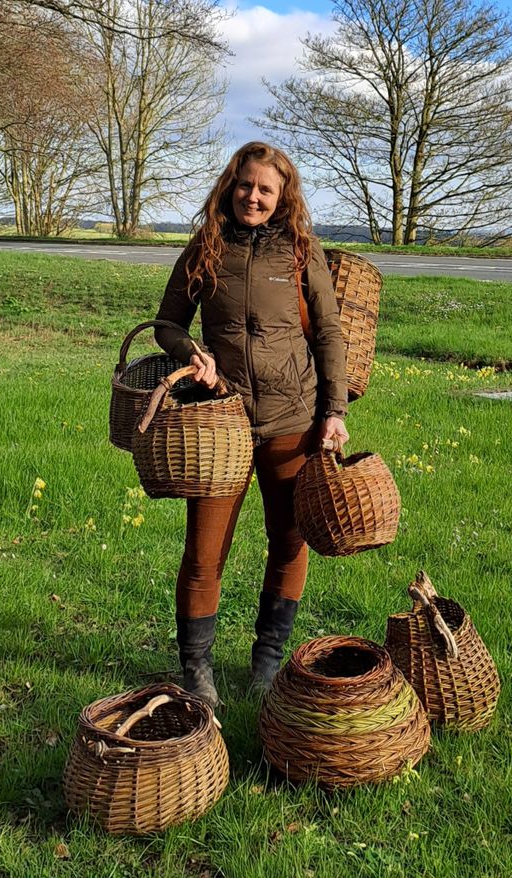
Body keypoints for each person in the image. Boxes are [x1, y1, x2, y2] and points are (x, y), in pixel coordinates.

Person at [154, 141, 349, 708]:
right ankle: (197, 672)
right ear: (230, 186)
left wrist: (334, 412)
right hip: (223, 423)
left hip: (293, 420)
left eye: (266, 189)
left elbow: (329, 333)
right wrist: (192, 352)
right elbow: (167, 324)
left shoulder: (301, 250)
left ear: (283, 196)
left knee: (288, 541)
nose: (253, 197)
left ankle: (266, 665)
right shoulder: (206, 247)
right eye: (245, 185)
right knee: (203, 552)